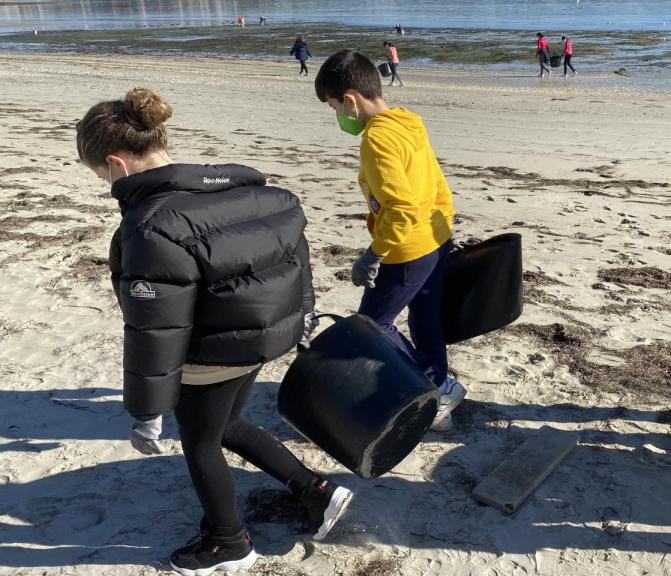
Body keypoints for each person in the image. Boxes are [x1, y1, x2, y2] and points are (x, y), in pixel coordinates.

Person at [76, 88, 352, 575]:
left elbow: (155, 328)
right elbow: (297, 259)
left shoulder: (150, 226)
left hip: (212, 351)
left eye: (99, 173)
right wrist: (303, 318)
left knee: (200, 441)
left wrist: (147, 410)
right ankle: (317, 491)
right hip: (262, 338)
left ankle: (228, 543)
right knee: (227, 425)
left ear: (116, 163)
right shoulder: (243, 191)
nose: (103, 182)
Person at [314, 51, 466, 432]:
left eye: (334, 106)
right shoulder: (408, 121)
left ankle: (438, 388)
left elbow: (401, 205)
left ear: (350, 99)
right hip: (436, 236)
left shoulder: (377, 140)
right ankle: (440, 393)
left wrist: (372, 254)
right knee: (424, 319)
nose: (337, 116)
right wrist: (444, 225)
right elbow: (434, 182)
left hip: (408, 248)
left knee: (373, 323)